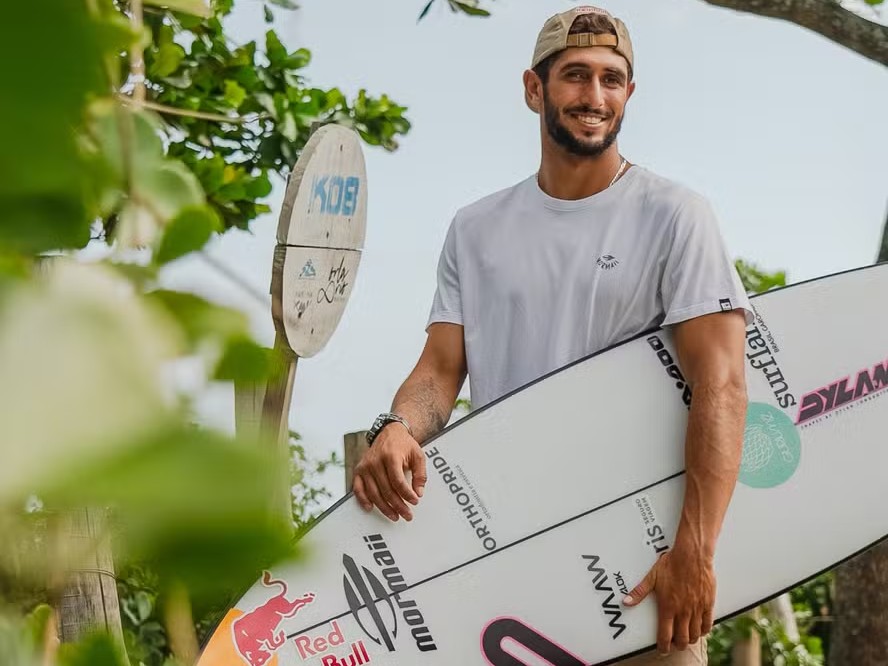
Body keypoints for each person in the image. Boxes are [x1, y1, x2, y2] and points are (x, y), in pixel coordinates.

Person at [353, 5, 751, 664]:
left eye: (611, 79)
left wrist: (697, 550)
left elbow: (724, 385)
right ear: (534, 89)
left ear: (629, 93)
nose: (594, 97)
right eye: (574, 76)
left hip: (638, 580)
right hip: (510, 565)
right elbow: (441, 369)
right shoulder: (477, 229)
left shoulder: (675, 216)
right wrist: (398, 425)